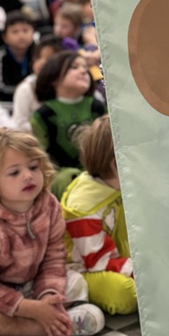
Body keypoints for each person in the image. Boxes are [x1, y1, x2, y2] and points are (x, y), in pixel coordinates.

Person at [0, 128, 105, 336]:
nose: (28, 176)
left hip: (32, 285)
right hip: (4, 296)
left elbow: (54, 258)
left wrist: (49, 296)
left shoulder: (49, 205)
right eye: (14, 172)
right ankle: (47, 327)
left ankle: (34, 325)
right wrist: (29, 308)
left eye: (33, 167)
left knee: (77, 282)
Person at [61, 117, 136, 315]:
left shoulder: (114, 185)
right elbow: (97, 262)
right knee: (125, 294)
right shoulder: (84, 205)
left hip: (115, 258)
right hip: (86, 270)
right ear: (116, 164)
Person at [31, 50, 107, 198]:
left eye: (85, 67)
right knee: (67, 178)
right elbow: (43, 157)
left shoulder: (97, 107)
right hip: (63, 175)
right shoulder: (44, 115)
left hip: (100, 170)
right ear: (53, 77)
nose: (83, 71)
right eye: (74, 67)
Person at [10, 35, 62, 133]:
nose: (41, 62)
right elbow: (19, 124)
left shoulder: (68, 85)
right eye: (38, 57)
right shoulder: (27, 88)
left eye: (49, 58)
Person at [0, 12, 35, 113]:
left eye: (25, 30)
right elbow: (1, 88)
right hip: (6, 105)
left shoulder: (38, 54)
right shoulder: (1, 57)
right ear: (5, 37)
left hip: (33, 104)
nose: (21, 35)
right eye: (15, 32)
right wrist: (24, 92)